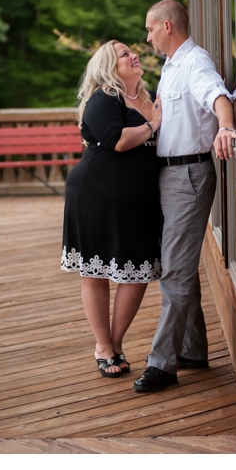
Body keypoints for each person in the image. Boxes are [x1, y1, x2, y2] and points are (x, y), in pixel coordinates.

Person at [132, 0, 236, 393]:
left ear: (167, 27)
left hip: (189, 175)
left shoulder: (195, 63)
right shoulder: (172, 66)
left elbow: (218, 97)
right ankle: (192, 349)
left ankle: (163, 364)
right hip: (170, 176)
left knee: (174, 269)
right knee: (178, 265)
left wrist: (225, 130)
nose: (147, 36)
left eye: (150, 28)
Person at [61, 41, 163, 378]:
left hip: (140, 200)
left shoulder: (149, 99)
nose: (134, 55)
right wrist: (152, 125)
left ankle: (116, 342)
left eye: (134, 51)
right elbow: (117, 140)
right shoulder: (103, 98)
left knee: (138, 273)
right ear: (108, 65)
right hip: (94, 195)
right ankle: (103, 346)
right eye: (124, 54)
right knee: (97, 271)